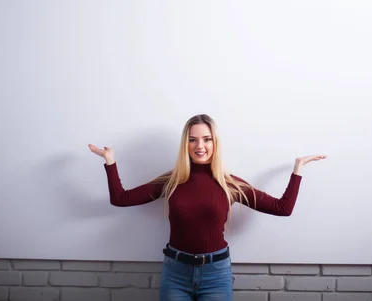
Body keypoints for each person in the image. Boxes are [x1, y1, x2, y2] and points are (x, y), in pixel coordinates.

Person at [88, 114, 326, 301]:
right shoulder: (171, 181)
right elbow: (121, 198)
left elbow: (282, 208)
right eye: (192, 139)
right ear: (186, 144)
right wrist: (110, 161)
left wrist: (298, 168)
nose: (199, 146)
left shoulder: (229, 184)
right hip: (176, 274)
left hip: (216, 274)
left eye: (206, 139)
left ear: (215, 142)